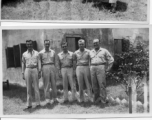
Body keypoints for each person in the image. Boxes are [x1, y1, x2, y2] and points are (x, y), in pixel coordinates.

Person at [89, 39, 114, 105]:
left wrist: (108, 69)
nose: (95, 44)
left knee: (102, 84)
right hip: (93, 67)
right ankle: (96, 99)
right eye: (94, 43)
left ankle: (103, 100)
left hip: (101, 67)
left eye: (96, 43)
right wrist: (90, 67)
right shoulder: (91, 52)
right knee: (94, 85)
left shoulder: (104, 51)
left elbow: (111, 60)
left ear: (99, 43)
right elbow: (89, 61)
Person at [22, 40, 41, 110]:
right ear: (26, 45)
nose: (29, 45)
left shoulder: (37, 53)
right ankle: (29, 104)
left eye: (30, 44)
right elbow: (23, 64)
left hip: (35, 69)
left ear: (32, 44)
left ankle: (38, 103)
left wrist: (39, 71)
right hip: (27, 70)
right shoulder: (24, 54)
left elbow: (39, 62)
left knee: (36, 87)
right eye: (28, 44)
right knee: (28, 88)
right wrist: (22, 73)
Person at [39, 40, 58, 105]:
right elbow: (40, 63)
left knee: (54, 83)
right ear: (44, 44)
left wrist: (55, 69)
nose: (47, 45)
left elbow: (55, 61)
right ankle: (47, 99)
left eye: (48, 44)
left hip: (52, 66)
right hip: (45, 67)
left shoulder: (53, 52)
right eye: (46, 44)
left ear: (49, 44)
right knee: (46, 84)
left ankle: (55, 98)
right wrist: (40, 70)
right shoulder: (41, 53)